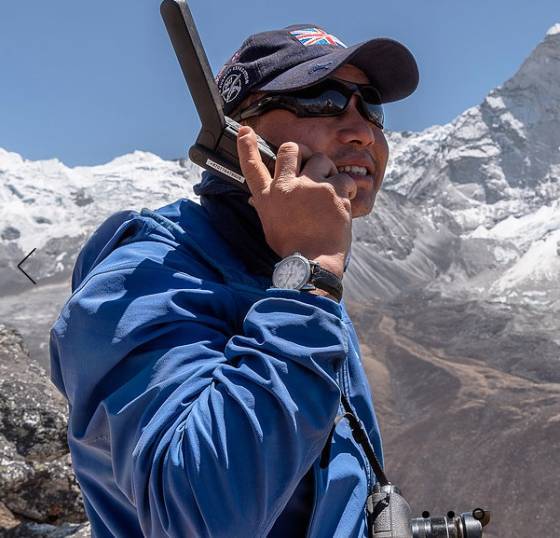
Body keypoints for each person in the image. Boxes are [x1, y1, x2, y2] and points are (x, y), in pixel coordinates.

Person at [49, 23, 418, 537]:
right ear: (237, 135)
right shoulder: (142, 279)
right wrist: (310, 273)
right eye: (324, 100)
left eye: (371, 107)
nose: (361, 130)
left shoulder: (285, 276)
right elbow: (199, 516)